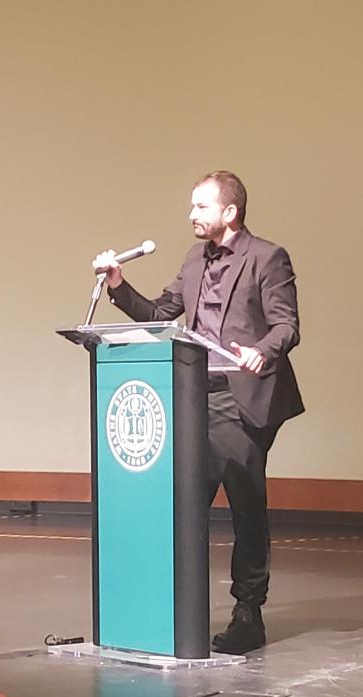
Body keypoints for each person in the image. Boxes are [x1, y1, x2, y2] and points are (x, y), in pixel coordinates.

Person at [92, 170, 304, 654]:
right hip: (193, 396)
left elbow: (286, 326)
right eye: (192, 206)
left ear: (230, 212)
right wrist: (120, 286)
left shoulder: (267, 257)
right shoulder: (193, 259)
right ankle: (167, 608)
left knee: (246, 506)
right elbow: (161, 317)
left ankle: (249, 614)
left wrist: (261, 352)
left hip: (244, 397)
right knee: (183, 506)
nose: (191, 215)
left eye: (201, 207)